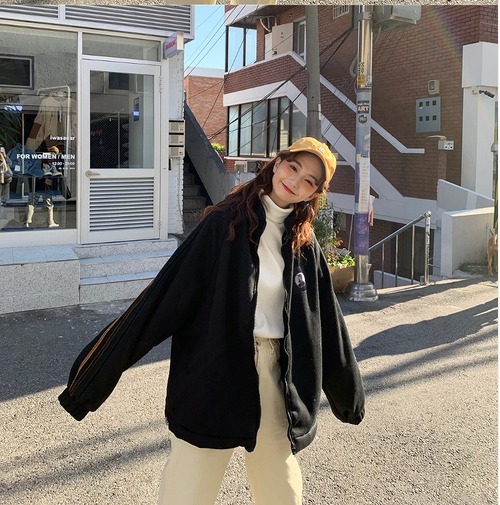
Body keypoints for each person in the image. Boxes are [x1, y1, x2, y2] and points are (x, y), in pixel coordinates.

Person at [58, 137, 365, 505]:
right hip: (213, 371)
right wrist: (91, 379)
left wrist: (348, 396)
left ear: (313, 194)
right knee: (189, 489)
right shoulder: (224, 224)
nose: (295, 180)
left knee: (281, 489)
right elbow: (162, 299)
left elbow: (326, 321)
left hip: (277, 376)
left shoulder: (304, 243)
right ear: (277, 163)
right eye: (293, 166)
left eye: (309, 180)